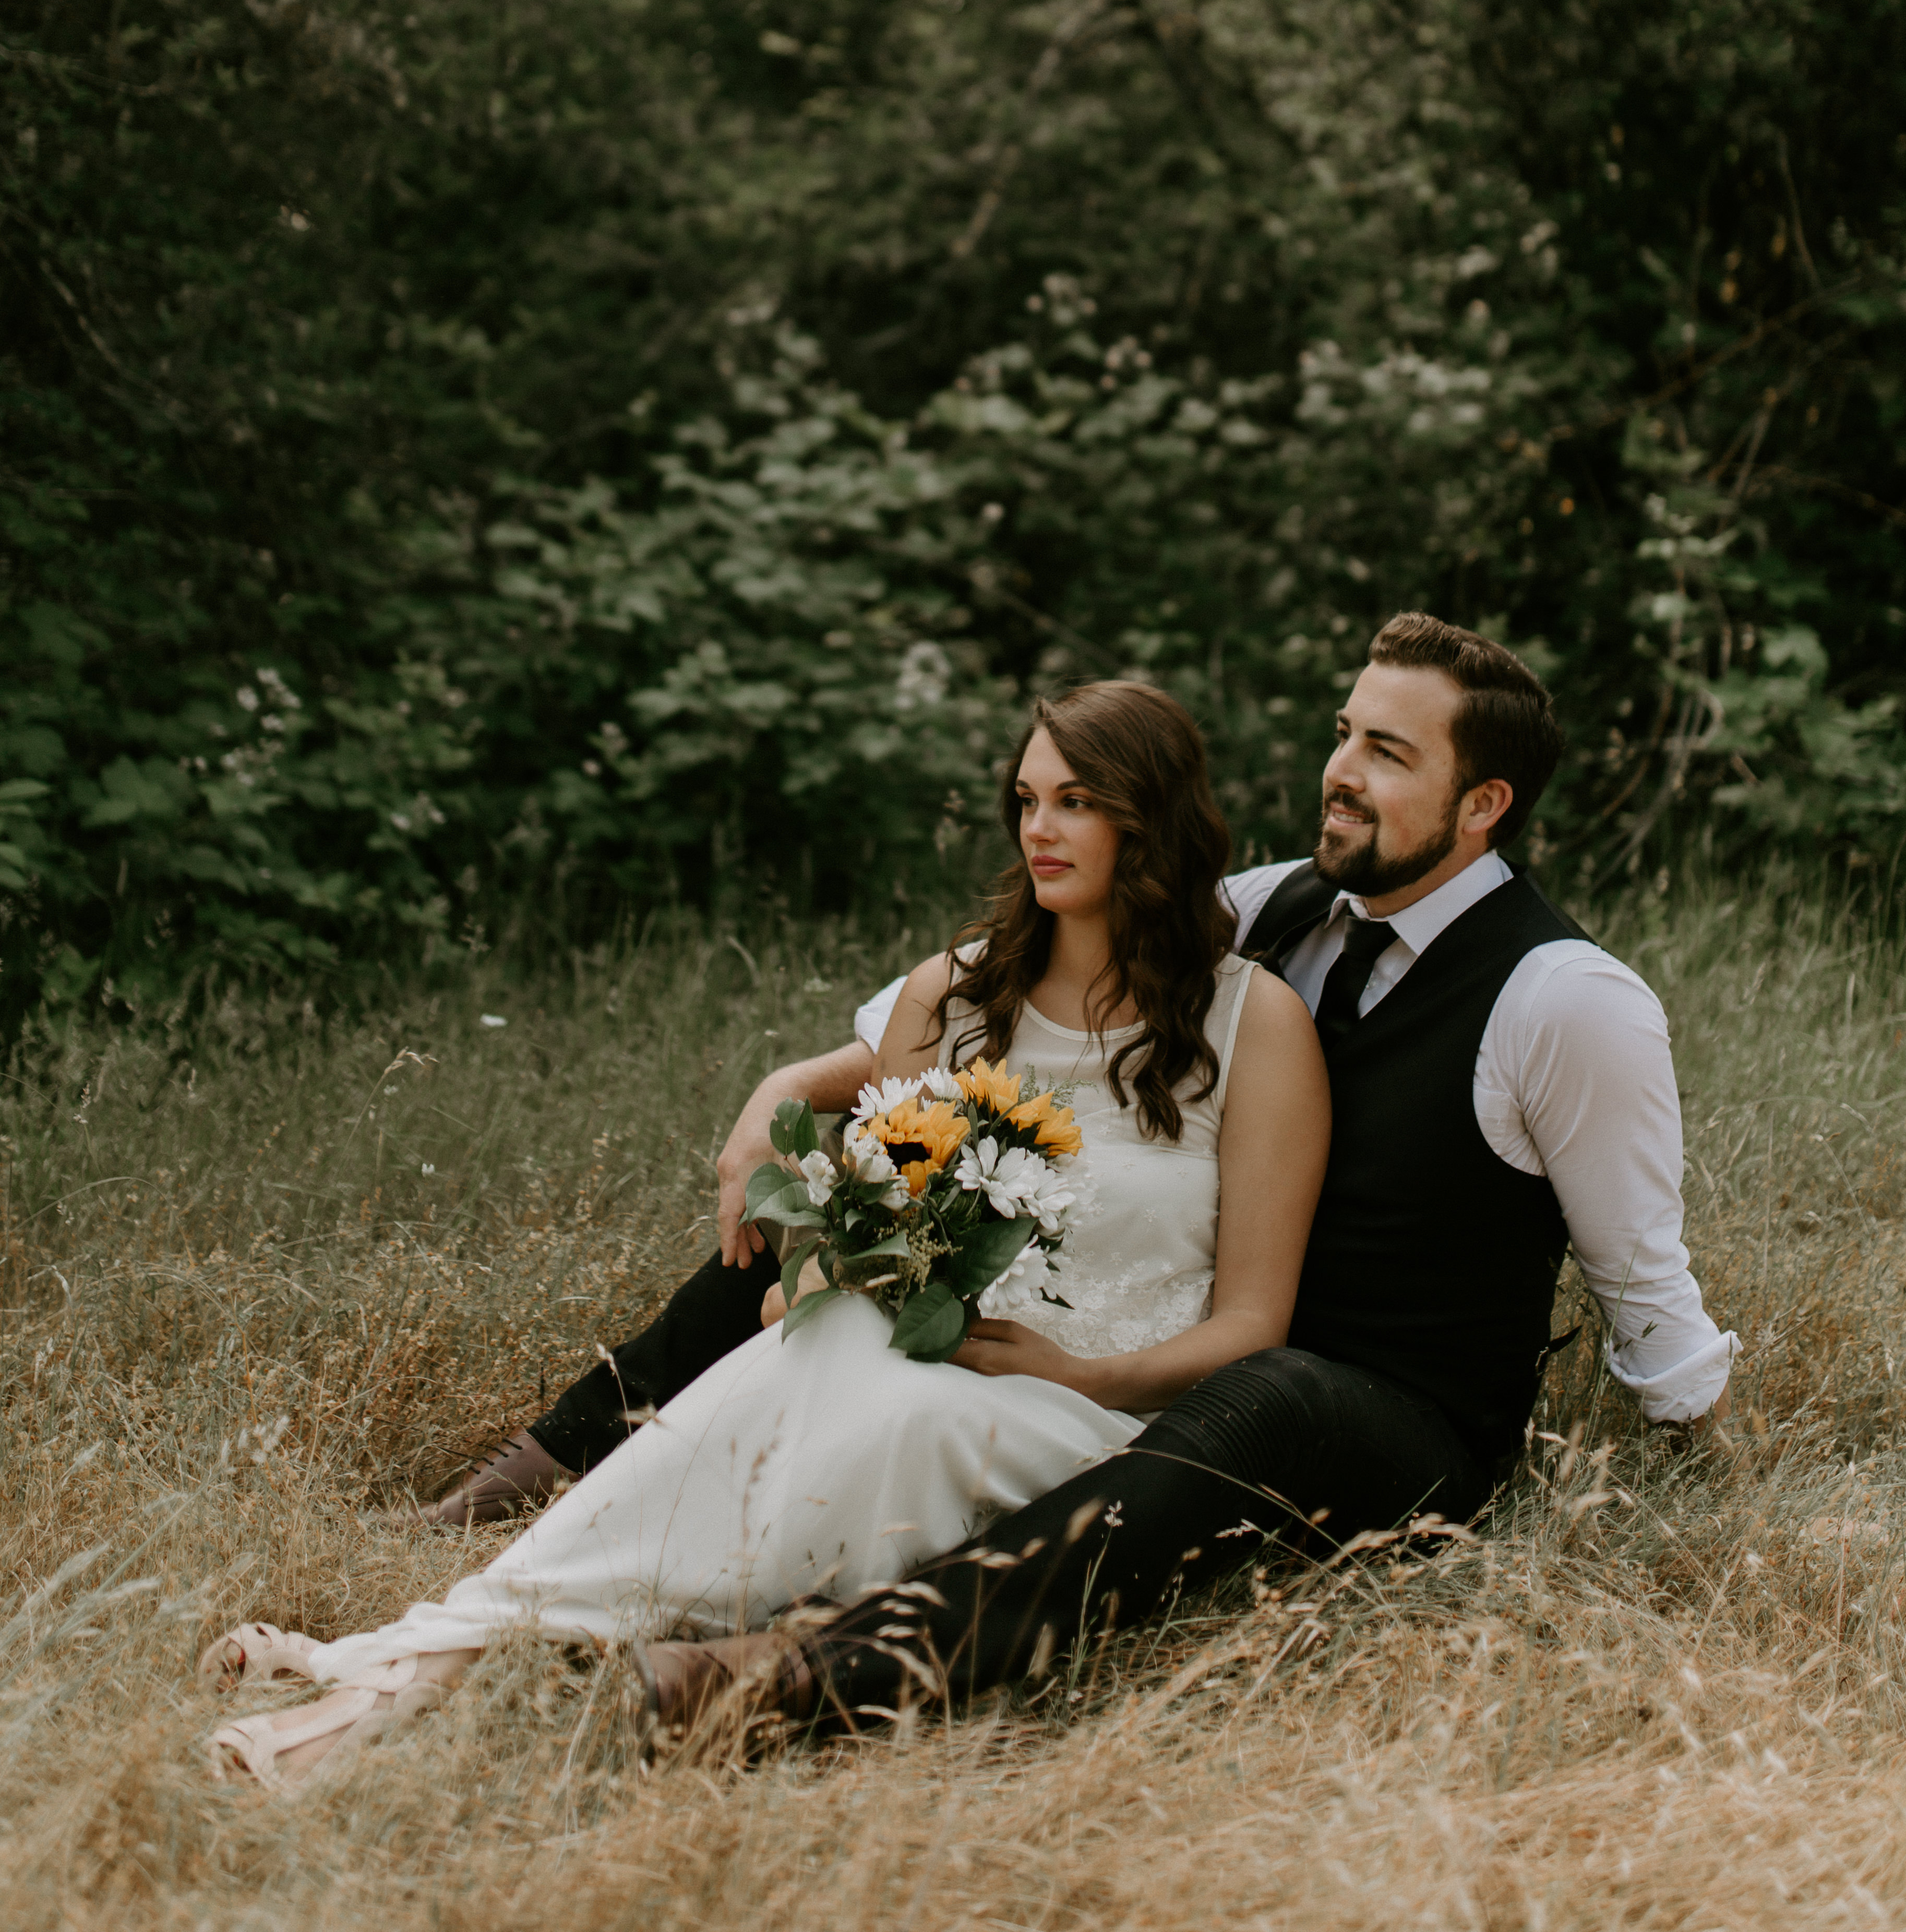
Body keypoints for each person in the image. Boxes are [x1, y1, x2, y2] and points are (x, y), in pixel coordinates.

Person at [629, 612, 1738, 1737]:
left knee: (1265, 1399)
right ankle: (551, 1465)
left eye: (1388, 754)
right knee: (864, 1218)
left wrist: (1704, 1459)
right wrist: (789, 1091)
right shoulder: (1279, 907)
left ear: (1485, 804)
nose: (1340, 775)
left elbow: (1640, 1272)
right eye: (1346, 734)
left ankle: (810, 1674)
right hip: (1212, 1339)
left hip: (1395, 1418)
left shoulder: (1569, 1001)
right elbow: (979, 1000)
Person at [200, 681, 1327, 1784]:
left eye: (1077, 801)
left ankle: (423, 1666)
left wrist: (1088, 1368)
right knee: (827, 1347)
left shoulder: (1254, 1023)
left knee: (890, 1403)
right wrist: (832, 1268)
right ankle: (426, 1667)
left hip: (1095, 1416)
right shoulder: (950, 1000)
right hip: (905, 1365)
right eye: (1026, 800)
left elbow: (1253, 1324)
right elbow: (857, 1240)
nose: (1040, 828)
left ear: (1155, 818)